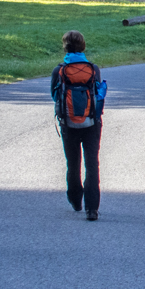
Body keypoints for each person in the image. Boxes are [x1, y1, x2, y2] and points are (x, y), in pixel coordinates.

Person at [51, 31, 104, 221]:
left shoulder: (59, 70)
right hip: (91, 123)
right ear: (83, 46)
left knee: (73, 163)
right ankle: (92, 209)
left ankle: (75, 199)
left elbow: (54, 95)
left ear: (65, 47)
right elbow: (99, 94)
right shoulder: (93, 69)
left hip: (69, 123)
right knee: (92, 164)